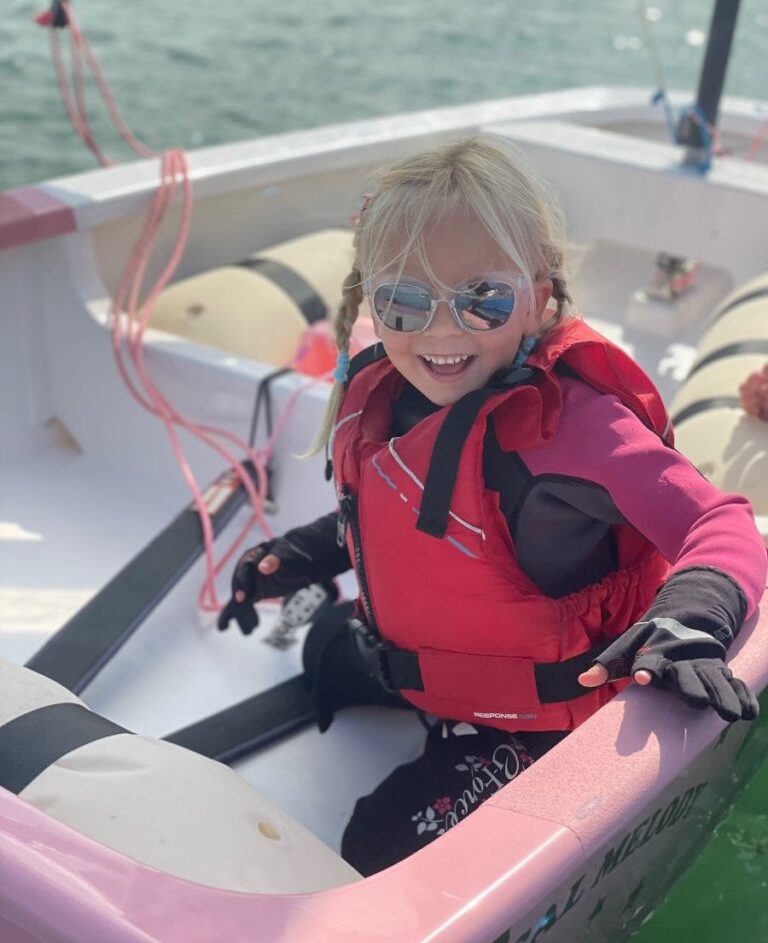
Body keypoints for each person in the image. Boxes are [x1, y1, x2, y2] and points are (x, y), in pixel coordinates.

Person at [218, 136, 767, 875]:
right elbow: (409, 521)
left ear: (538, 297)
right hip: (428, 662)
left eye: (483, 300)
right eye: (405, 300)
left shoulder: (575, 430)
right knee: (321, 652)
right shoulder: (391, 388)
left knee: (378, 847)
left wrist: (691, 620)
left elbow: (718, 520)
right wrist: (309, 552)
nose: (441, 331)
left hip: (541, 715)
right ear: (373, 301)